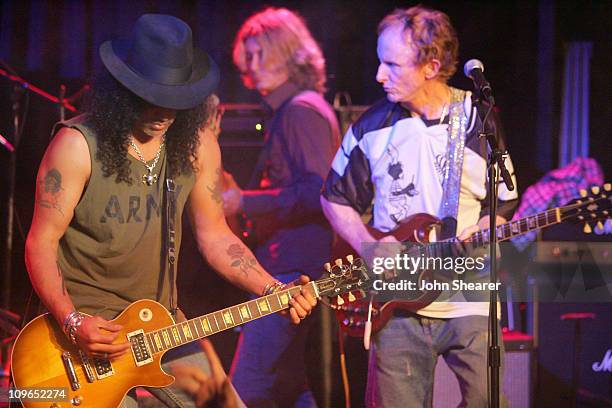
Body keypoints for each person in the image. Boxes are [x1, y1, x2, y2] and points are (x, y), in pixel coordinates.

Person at [24, 14, 315, 408]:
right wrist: (72, 322)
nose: (163, 111)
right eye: (150, 96)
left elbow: (216, 237)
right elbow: (41, 242)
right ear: (123, 91)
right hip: (86, 335)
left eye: (175, 100)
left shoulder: (197, 146)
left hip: (162, 327)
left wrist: (273, 289)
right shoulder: (77, 146)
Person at [320, 6, 518, 407]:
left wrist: (486, 224)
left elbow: (504, 201)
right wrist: (367, 244)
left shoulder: (478, 119)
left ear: (431, 66)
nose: (378, 75)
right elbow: (333, 198)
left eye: (392, 64)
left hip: (469, 299)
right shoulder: (370, 128)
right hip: (397, 305)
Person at [222, 7, 340, 408]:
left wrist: (244, 201)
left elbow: (319, 192)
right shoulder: (298, 110)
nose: (250, 70)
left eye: (258, 54)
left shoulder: (301, 111)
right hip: (294, 270)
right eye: (246, 58)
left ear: (288, 53)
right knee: (292, 390)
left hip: (292, 272)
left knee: (246, 390)